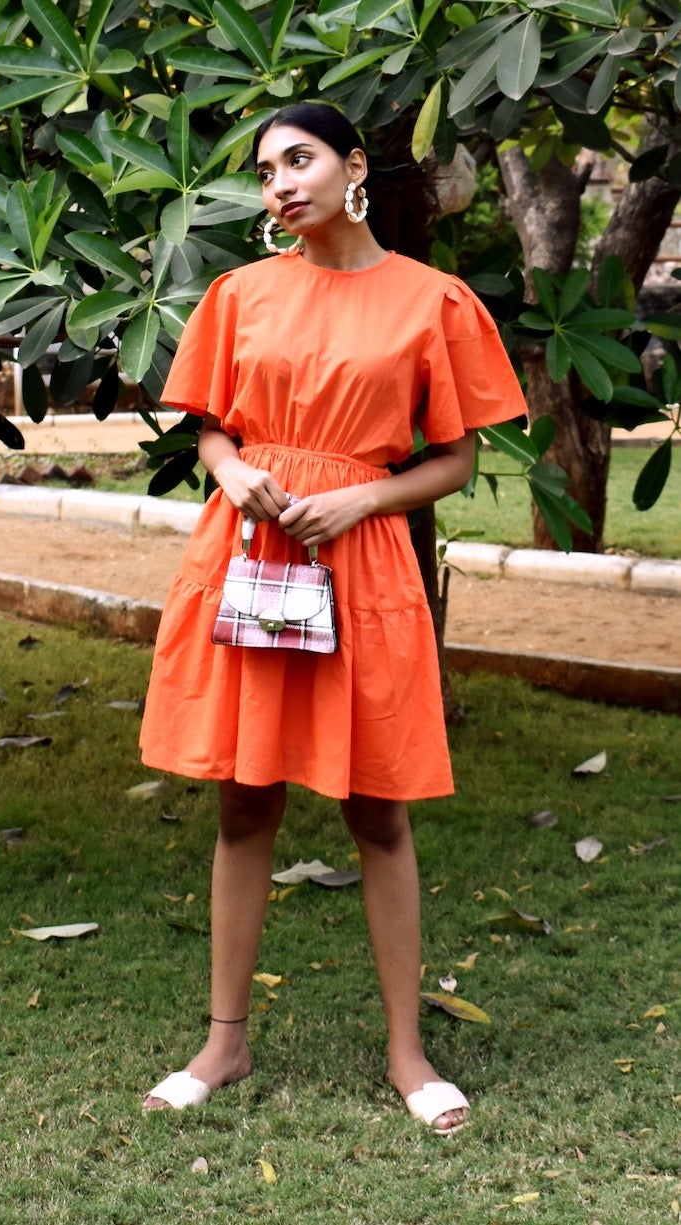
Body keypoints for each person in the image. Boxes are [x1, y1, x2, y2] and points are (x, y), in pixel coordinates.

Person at [139, 102, 528, 1134]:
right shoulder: (238, 294)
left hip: (360, 567)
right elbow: (212, 433)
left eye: (299, 159)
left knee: (377, 806)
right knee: (241, 799)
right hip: (252, 555)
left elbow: (454, 457)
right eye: (265, 169)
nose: (280, 182)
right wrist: (238, 472)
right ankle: (224, 1039)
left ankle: (407, 1051)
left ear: (353, 166)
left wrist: (361, 497)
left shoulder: (430, 300)